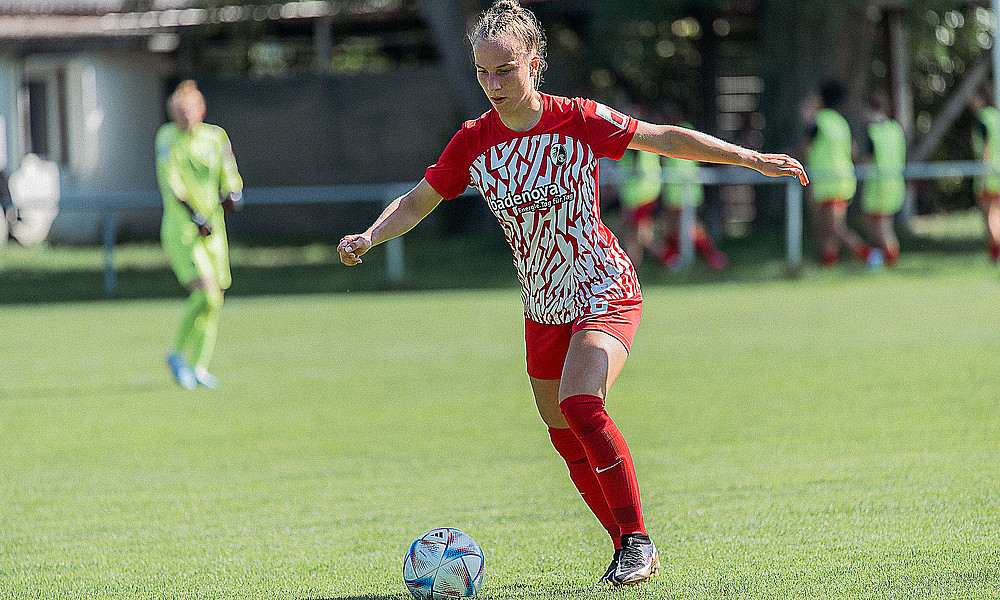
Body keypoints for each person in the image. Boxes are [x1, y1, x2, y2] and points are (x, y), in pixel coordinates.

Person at [337, 0, 806, 586]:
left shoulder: (577, 119)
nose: (492, 83)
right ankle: (626, 549)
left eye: (505, 69)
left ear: (534, 62)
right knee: (564, 437)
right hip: (543, 305)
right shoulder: (473, 142)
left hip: (603, 287)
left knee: (581, 404)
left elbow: (660, 138)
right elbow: (420, 199)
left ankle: (637, 539)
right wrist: (372, 235)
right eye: (483, 72)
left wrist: (747, 158)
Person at [156, 80, 243, 390]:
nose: (183, 117)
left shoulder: (216, 137)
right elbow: (172, 182)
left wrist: (233, 193)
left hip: (213, 231)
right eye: (177, 112)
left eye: (188, 111)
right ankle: (177, 354)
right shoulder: (167, 138)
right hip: (183, 231)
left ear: (201, 110)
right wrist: (195, 215)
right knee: (205, 293)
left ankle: (199, 366)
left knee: (215, 300)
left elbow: (230, 175)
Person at [803, 79, 879, 268]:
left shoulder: (818, 120)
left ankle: (871, 256)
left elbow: (805, 147)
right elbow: (852, 150)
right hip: (842, 180)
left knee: (835, 229)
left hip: (827, 182)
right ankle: (828, 265)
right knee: (824, 228)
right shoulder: (841, 122)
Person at [659, 108, 727, 271]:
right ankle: (680, 260)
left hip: (685, 191)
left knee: (689, 228)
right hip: (676, 191)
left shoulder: (682, 130)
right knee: (675, 228)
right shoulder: (672, 131)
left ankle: (711, 256)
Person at [860, 91, 905, 268]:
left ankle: (890, 262)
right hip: (894, 184)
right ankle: (882, 259)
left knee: (882, 229)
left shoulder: (873, 132)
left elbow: (868, 160)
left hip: (878, 187)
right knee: (880, 226)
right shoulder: (895, 129)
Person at [617, 142, 664, 270]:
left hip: (638, 196)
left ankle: (669, 258)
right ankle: (632, 267)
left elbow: (634, 170)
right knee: (639, 233)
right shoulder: (647, 143)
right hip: (646, 193)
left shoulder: (632, 144)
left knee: (637, 234)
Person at [969, 86, 1000, 263]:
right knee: (995, 215)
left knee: (989, 218)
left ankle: (995, 254)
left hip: (987, 177)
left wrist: (982, 171)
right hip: (997, 174)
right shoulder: (996, 116)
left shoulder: (983, 119)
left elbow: (986, 147)